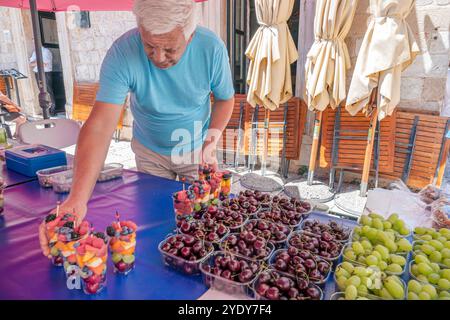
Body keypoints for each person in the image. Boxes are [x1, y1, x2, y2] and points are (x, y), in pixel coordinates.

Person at [39, 0, 235, 257]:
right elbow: (99, 126)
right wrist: (77, 198)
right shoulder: (122, 52)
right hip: (149, 152)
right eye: (149, 46)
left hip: (195, 150)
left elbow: (224, 98)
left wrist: (210, 143)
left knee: (201, 227)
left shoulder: (211, 48)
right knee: (154, 225)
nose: (158, 58)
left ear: (190, 34)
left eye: (170, 49)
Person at [29, 46, 55, 115]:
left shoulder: (46, 51)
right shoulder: (35, 52)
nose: (33, 43)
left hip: (45, 73)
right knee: (41, 91)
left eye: (34, 41)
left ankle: (52, 110)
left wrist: (36, 62)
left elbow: (45, 64)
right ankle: (46, 109)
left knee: (48, 91)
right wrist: (39, 62)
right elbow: (31, 64)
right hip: (37, 73)